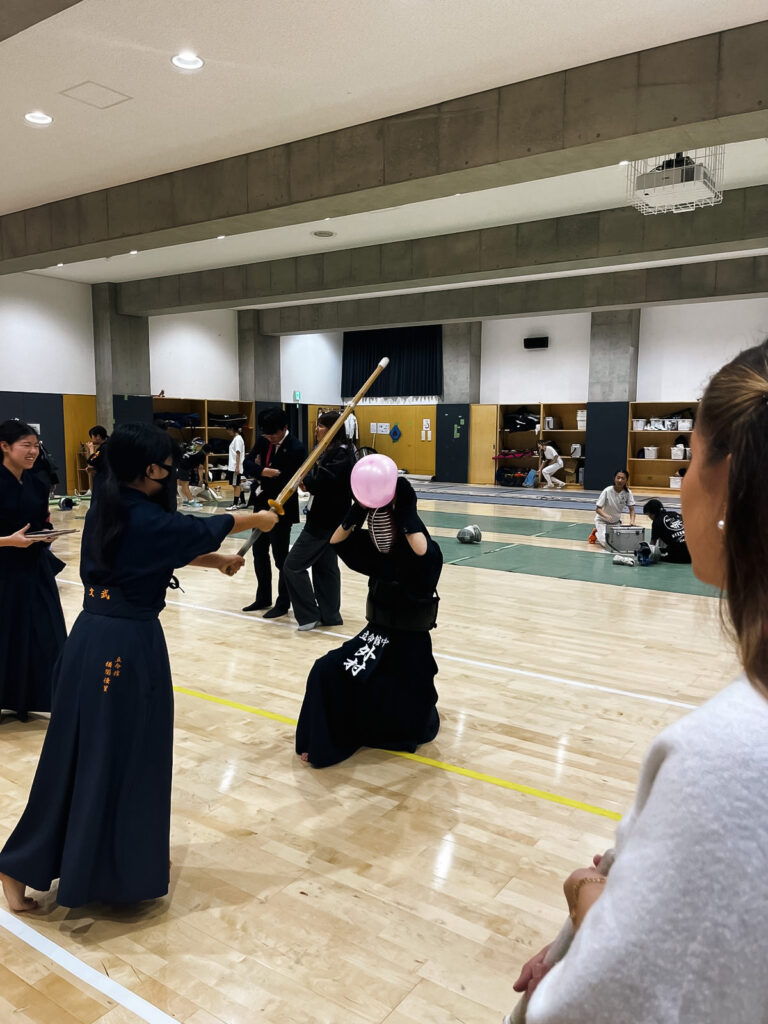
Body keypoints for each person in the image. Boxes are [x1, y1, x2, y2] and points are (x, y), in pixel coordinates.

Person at [509, 340, 768, 1024]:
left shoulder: (727, 758)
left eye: (687, 461)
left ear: (732, 487)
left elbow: (598, 1007)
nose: (677, 481)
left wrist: (588, 904)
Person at [0, 422, 278, 912]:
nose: (173, 477)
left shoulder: (113, 505)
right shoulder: (138, 514)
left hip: (99, 638)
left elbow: (155, 548)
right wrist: (254, 519)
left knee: (107, 754)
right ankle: (33, 864)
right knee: (115, 755)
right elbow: (186, 530)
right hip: (120, 647)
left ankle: (111, 862)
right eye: (169, 469)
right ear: (150, 469)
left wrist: (215, 563)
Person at [295, 459, 441, 768]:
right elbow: (337, 540)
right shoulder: (375, 556)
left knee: (394, 697)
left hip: (408, 647)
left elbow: (421, 549)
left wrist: (406, 511)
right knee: (325, 670)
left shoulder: (425, 557)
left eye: (383, 529)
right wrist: (358, 510)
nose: (376, 536)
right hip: (375, 638)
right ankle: (326, 737)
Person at [0, 420, 67, 721]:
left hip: (33, 568)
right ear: (4, 446)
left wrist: (47, 533)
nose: (33, 451)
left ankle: (39, 697)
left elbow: (42, 521)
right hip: (3, 570)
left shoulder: (38, 483)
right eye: (25, 445)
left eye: (35, 445)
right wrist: (7, 541)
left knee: (46, 631)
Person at [283, 412, 355, 631]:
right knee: (325, 567)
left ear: (333, 428)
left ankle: (308, 615)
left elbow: (326, 481)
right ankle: (330, 615)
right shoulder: (329, 452)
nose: (316, 430)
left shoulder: (341, 454)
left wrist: (308, 480)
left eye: (321, 426)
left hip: (326, 521)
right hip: (326, 518)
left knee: (292, 566)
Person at [241, 406, 307, 617]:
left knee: (281, 557)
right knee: (259, 552)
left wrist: (262, 473)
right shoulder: (263, 440)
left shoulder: (296, 448)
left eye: (273, 434)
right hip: (260, 505)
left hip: (281, 509)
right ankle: (263, 597)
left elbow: (286, 480)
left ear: (284, 428)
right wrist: (263, 471)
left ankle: (283, 602)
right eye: (266, 434)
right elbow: (246, 464)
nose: (269, 437)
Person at [593, 469, 635, 548]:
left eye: (623, 478)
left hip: (616, 523)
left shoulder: (628, 493)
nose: (620, 480)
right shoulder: (607, 491)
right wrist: (606, 516)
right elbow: (598, 509)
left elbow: (632, 509)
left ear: (626, 480)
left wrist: (632, 521)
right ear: (614, 478)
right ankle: (597, 532)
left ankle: (602, 532)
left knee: (618, 543)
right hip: (602, 521)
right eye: (618, 477)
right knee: (607, 543)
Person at [642, 497, 691, 564]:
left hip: (682, 555)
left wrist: (648, 553)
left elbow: (652, 543)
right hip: (695, 551)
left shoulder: (656, 522)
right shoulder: (675, 514)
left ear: (652, 513)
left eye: (649, 515)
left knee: (659, 558)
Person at [225, 424, 246, 511]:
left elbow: (238, 453)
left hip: (234, 467)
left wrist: (237, 467)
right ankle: (243, 502)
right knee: (237, 484)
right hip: (233, 466)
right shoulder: (237, 438)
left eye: (229, 430)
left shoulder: (238, 439)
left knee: (236, 485)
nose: (228, 432)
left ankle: (235, 504)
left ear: (233, 429)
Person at [86, 424, 108, 500]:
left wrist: (91, 449)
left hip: (103, 479)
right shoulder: (110, 445)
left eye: (92, 437)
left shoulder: (103, 448)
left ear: (98, 436)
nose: (91, 439)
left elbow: (92, 460)